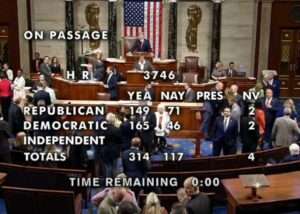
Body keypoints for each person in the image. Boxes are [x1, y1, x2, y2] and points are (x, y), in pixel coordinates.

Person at [100, 113, 122, 178]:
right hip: (115, 151)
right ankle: (114, 183)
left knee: (108, 167)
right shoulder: (117, 130)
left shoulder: (102, 130)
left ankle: (108, 183)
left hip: (105, 150)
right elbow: (120, 141)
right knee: (115, 168)